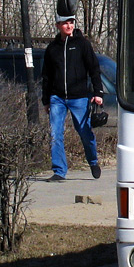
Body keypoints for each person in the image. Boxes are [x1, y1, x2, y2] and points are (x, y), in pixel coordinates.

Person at [41, 13, 104, 182]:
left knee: (84, 132)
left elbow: (94, 69)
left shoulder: (82, 44)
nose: (68, 26)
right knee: (55, 133)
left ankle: (93, 161)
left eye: (71, 22)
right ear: (57, 25)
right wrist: (46, 100)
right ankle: (59, 171)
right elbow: (46, 76)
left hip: (79, 97)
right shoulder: (52, 49)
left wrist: (98, 93)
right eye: (64, 23)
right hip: (57, 98)